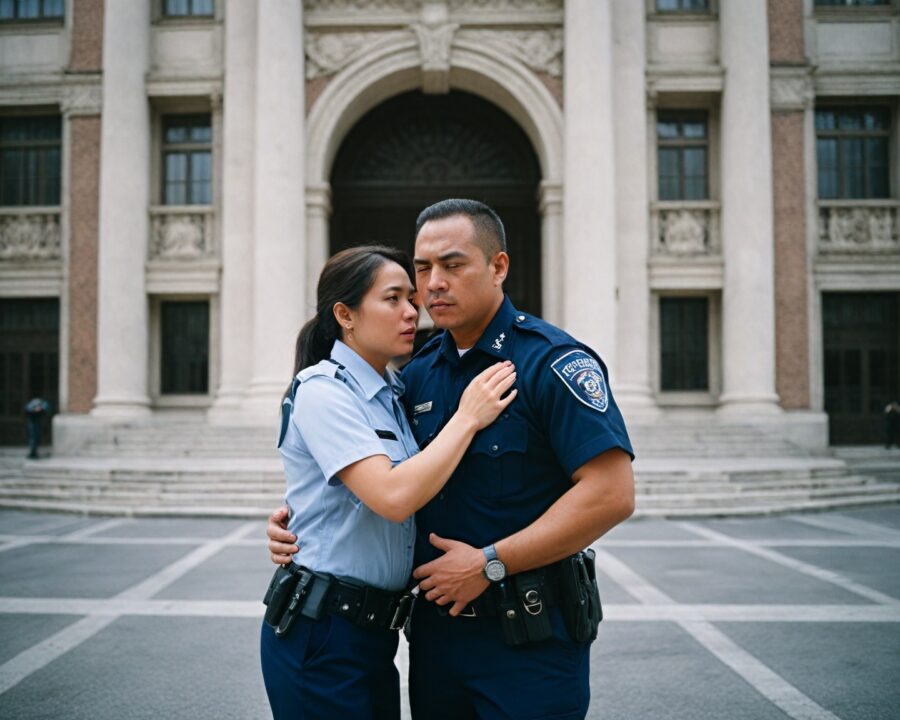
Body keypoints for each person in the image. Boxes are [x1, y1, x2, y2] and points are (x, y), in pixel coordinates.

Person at [268, 200, 635, 719]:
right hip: (436, 644)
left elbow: (612, 496)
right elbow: (369, 477)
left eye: (453, 264)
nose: (432, 283)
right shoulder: (413, 377)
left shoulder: (548, 362)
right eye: (423, 268)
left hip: (528, 637)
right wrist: (296, 522)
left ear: (498, 267)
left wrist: (492, 561)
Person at [260, 244, 517, 720]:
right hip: (322, 631)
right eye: (393, 299)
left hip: (375, 634)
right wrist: (467, 418)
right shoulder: (323, 390)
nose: (411, 312)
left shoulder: (395, 392)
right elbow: (394, 497)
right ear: (345, 314)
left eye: (410, 300)